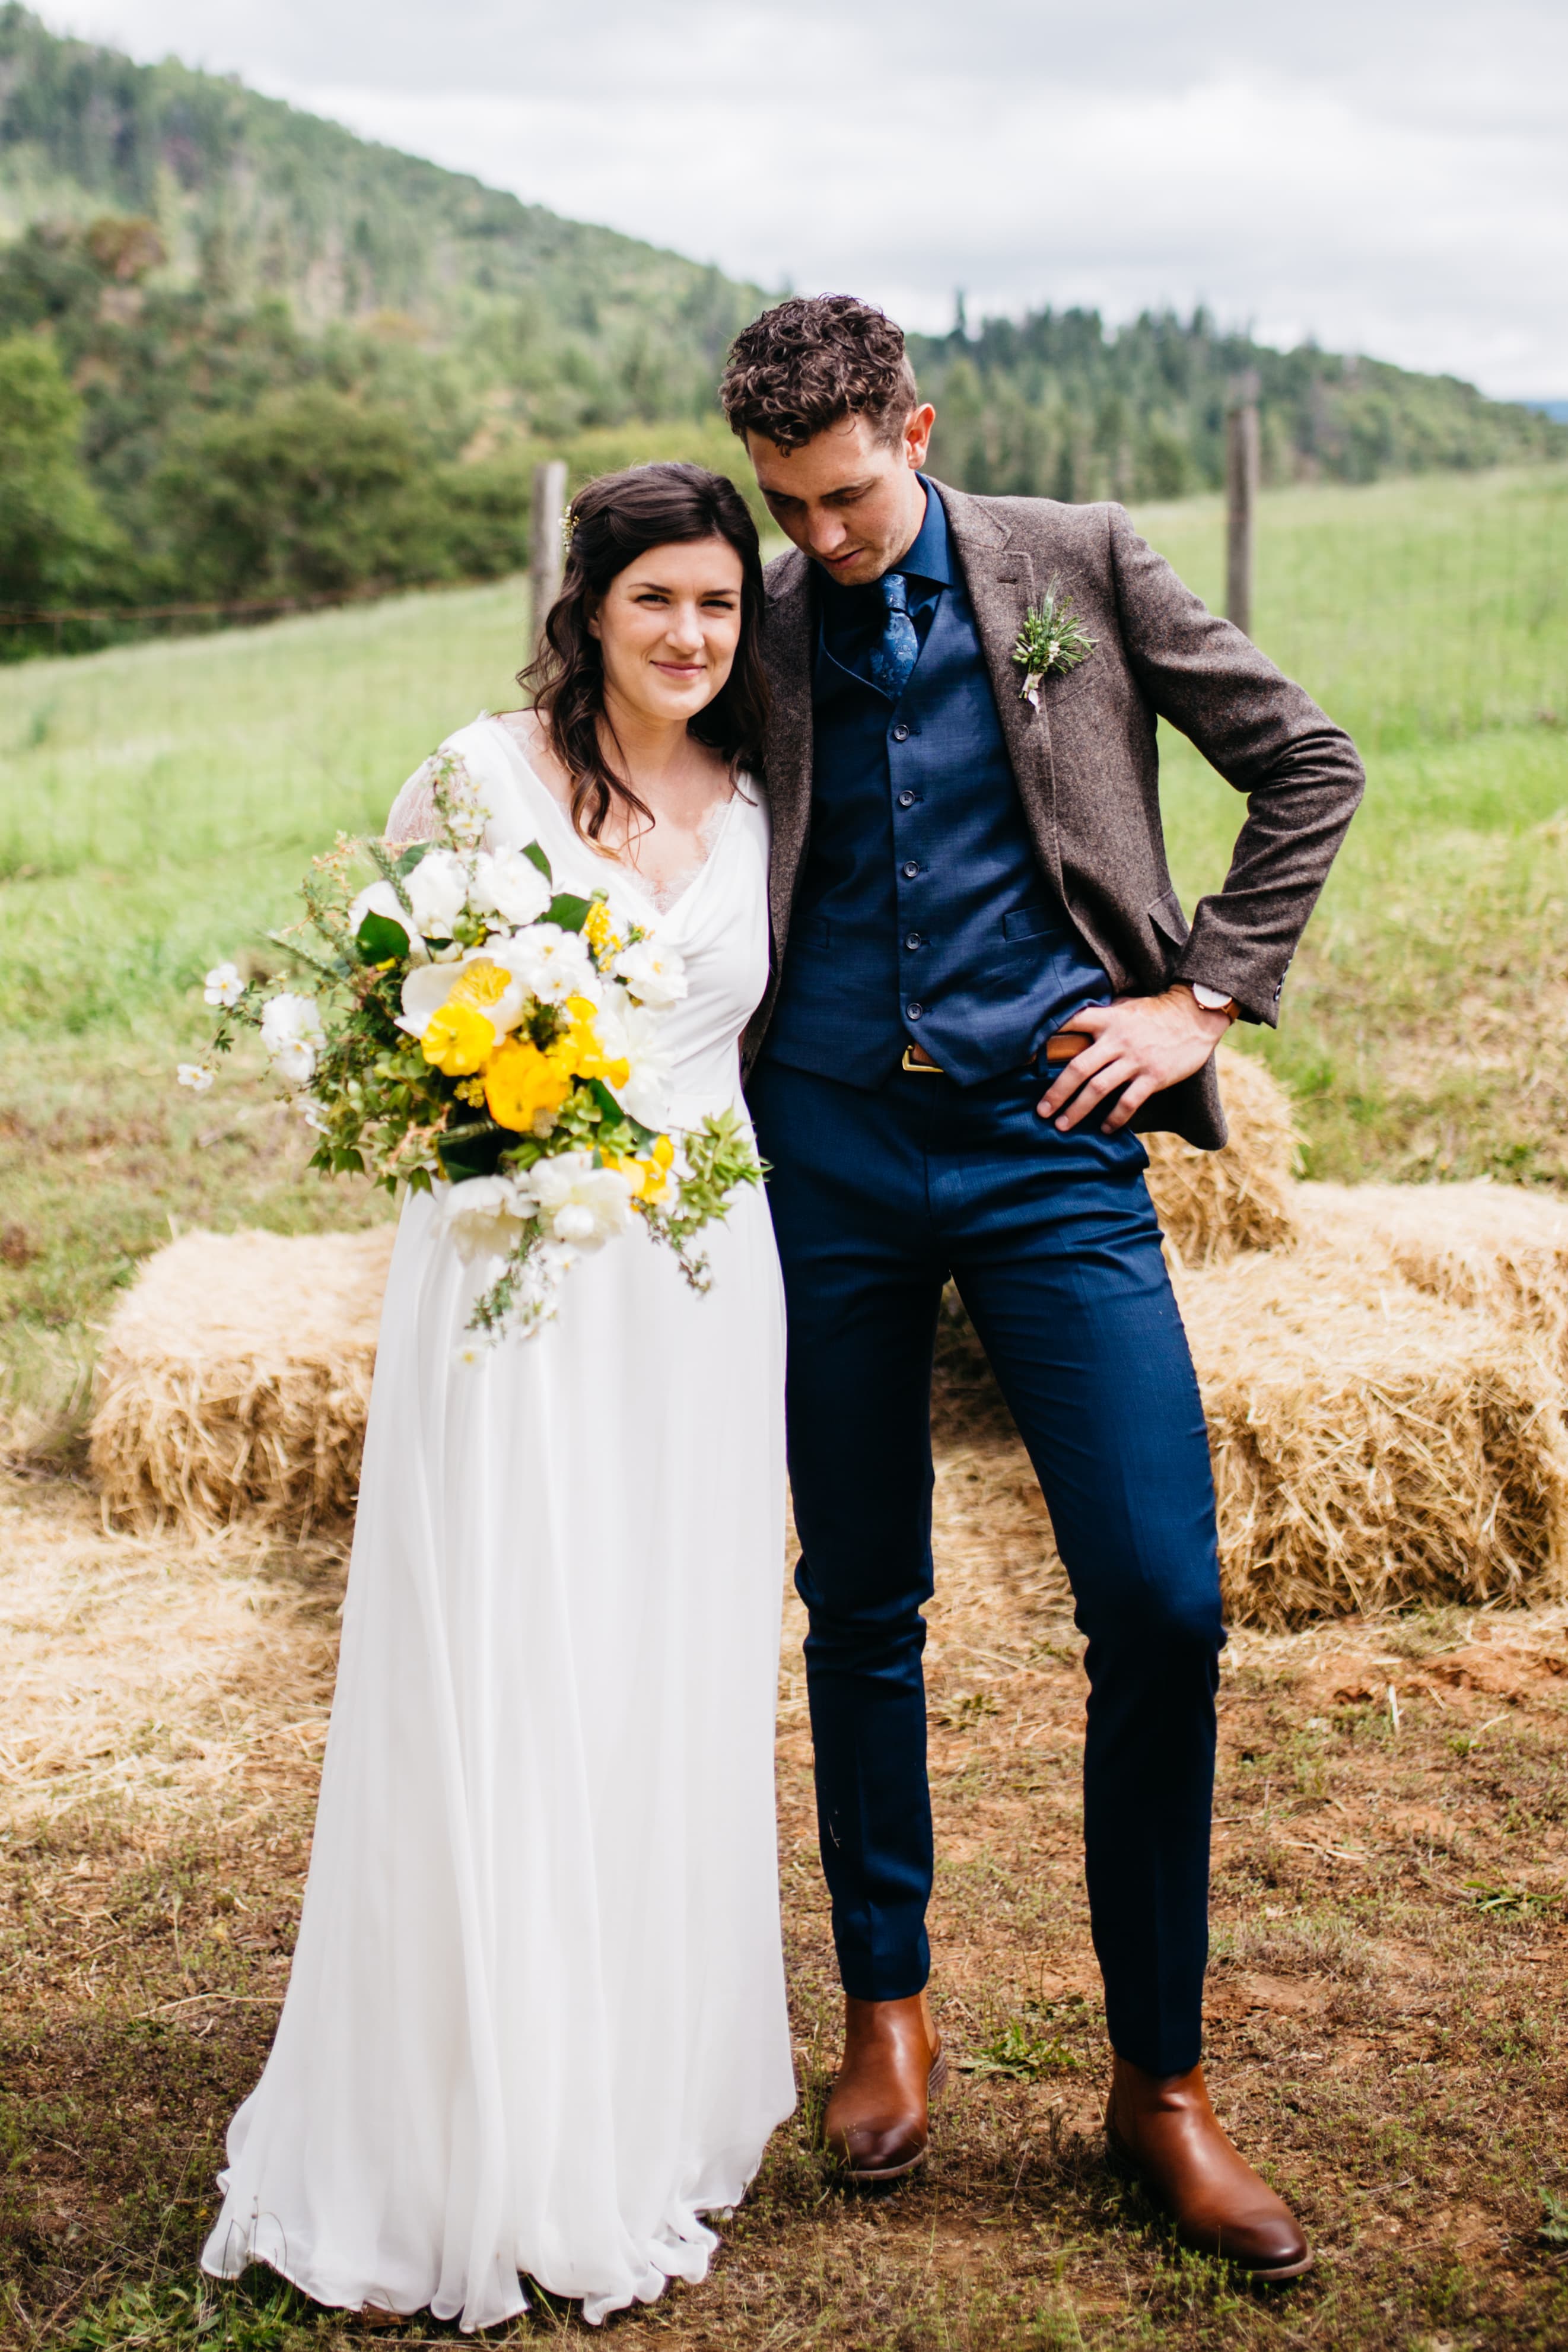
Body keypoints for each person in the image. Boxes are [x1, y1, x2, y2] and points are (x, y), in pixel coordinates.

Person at [722, 295, 1363, 2281]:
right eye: (787, 506)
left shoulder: (1077, 561)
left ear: (915, 427)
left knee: (1164, 1598)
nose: (822, 540)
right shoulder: (742, 607)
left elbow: (1306, 763)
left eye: (845, 496)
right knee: (861, 1592)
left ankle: (1155, 2081)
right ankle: (884, 2005)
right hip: (821, 1150)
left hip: (1047, 1137)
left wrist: (1197, 1000)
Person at [200, 464, 795, 2330]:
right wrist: (506, 1126)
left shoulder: (769, 802)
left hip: (701, 1278)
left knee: (662, 1656)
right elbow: (398, 1048)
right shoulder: (474, 781)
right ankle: (470, 2113)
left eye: (716, 603)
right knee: (511, 1642)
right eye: (653, 605)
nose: (690, 636)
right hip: (512, 1283)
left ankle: (631, 2080)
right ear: (587, 610)